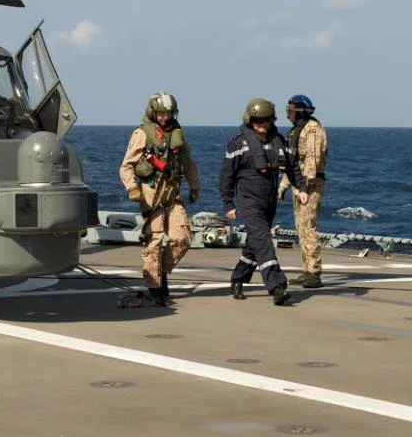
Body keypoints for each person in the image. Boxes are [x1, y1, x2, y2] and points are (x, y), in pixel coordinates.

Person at [219, 97, 308, 306]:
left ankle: (238, 279)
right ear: (250, 120)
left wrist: (301, 188)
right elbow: (226, 176)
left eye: (266, 120)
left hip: (269, 200)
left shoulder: (280, 142)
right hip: (249, 200)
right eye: (258, 121)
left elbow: (293, 167)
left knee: (256, 242)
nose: (262, 124)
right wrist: (228, 204)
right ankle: (277, 286)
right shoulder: (238, 144)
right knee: (263, 239)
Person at [119, 92, 200, 306]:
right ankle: (155, 286)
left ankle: (160, 270)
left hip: (172, 193)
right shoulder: (142, 134)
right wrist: (132, 188)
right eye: (161, 113)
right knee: (153, 240)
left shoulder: (177, 133)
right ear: (153, 112)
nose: (165, 117)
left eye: (169, 113)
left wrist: (194, 186)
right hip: (151, 194)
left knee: (182, 238)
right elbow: (126, 165)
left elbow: (188, 162)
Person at [279, 95, 328, 288]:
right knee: (301, 229)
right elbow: (292, 163)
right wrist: (284, 185)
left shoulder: (313, 130)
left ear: (300, 112)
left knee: (308, 227)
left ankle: (314, 273)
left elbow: (312, 161)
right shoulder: (296, 131)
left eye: (291, 110)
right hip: (300, 185)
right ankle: (307, 270)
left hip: (310, 186)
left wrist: (304, 188)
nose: (288, 114)